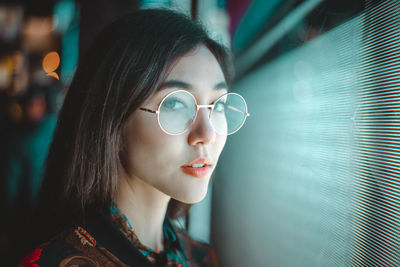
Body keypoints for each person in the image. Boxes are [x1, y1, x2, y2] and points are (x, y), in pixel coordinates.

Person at [17, 8, 250, 266]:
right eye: (175, 104)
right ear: (112, 121)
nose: (207, 134)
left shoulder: (201, 257)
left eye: (217, 105)